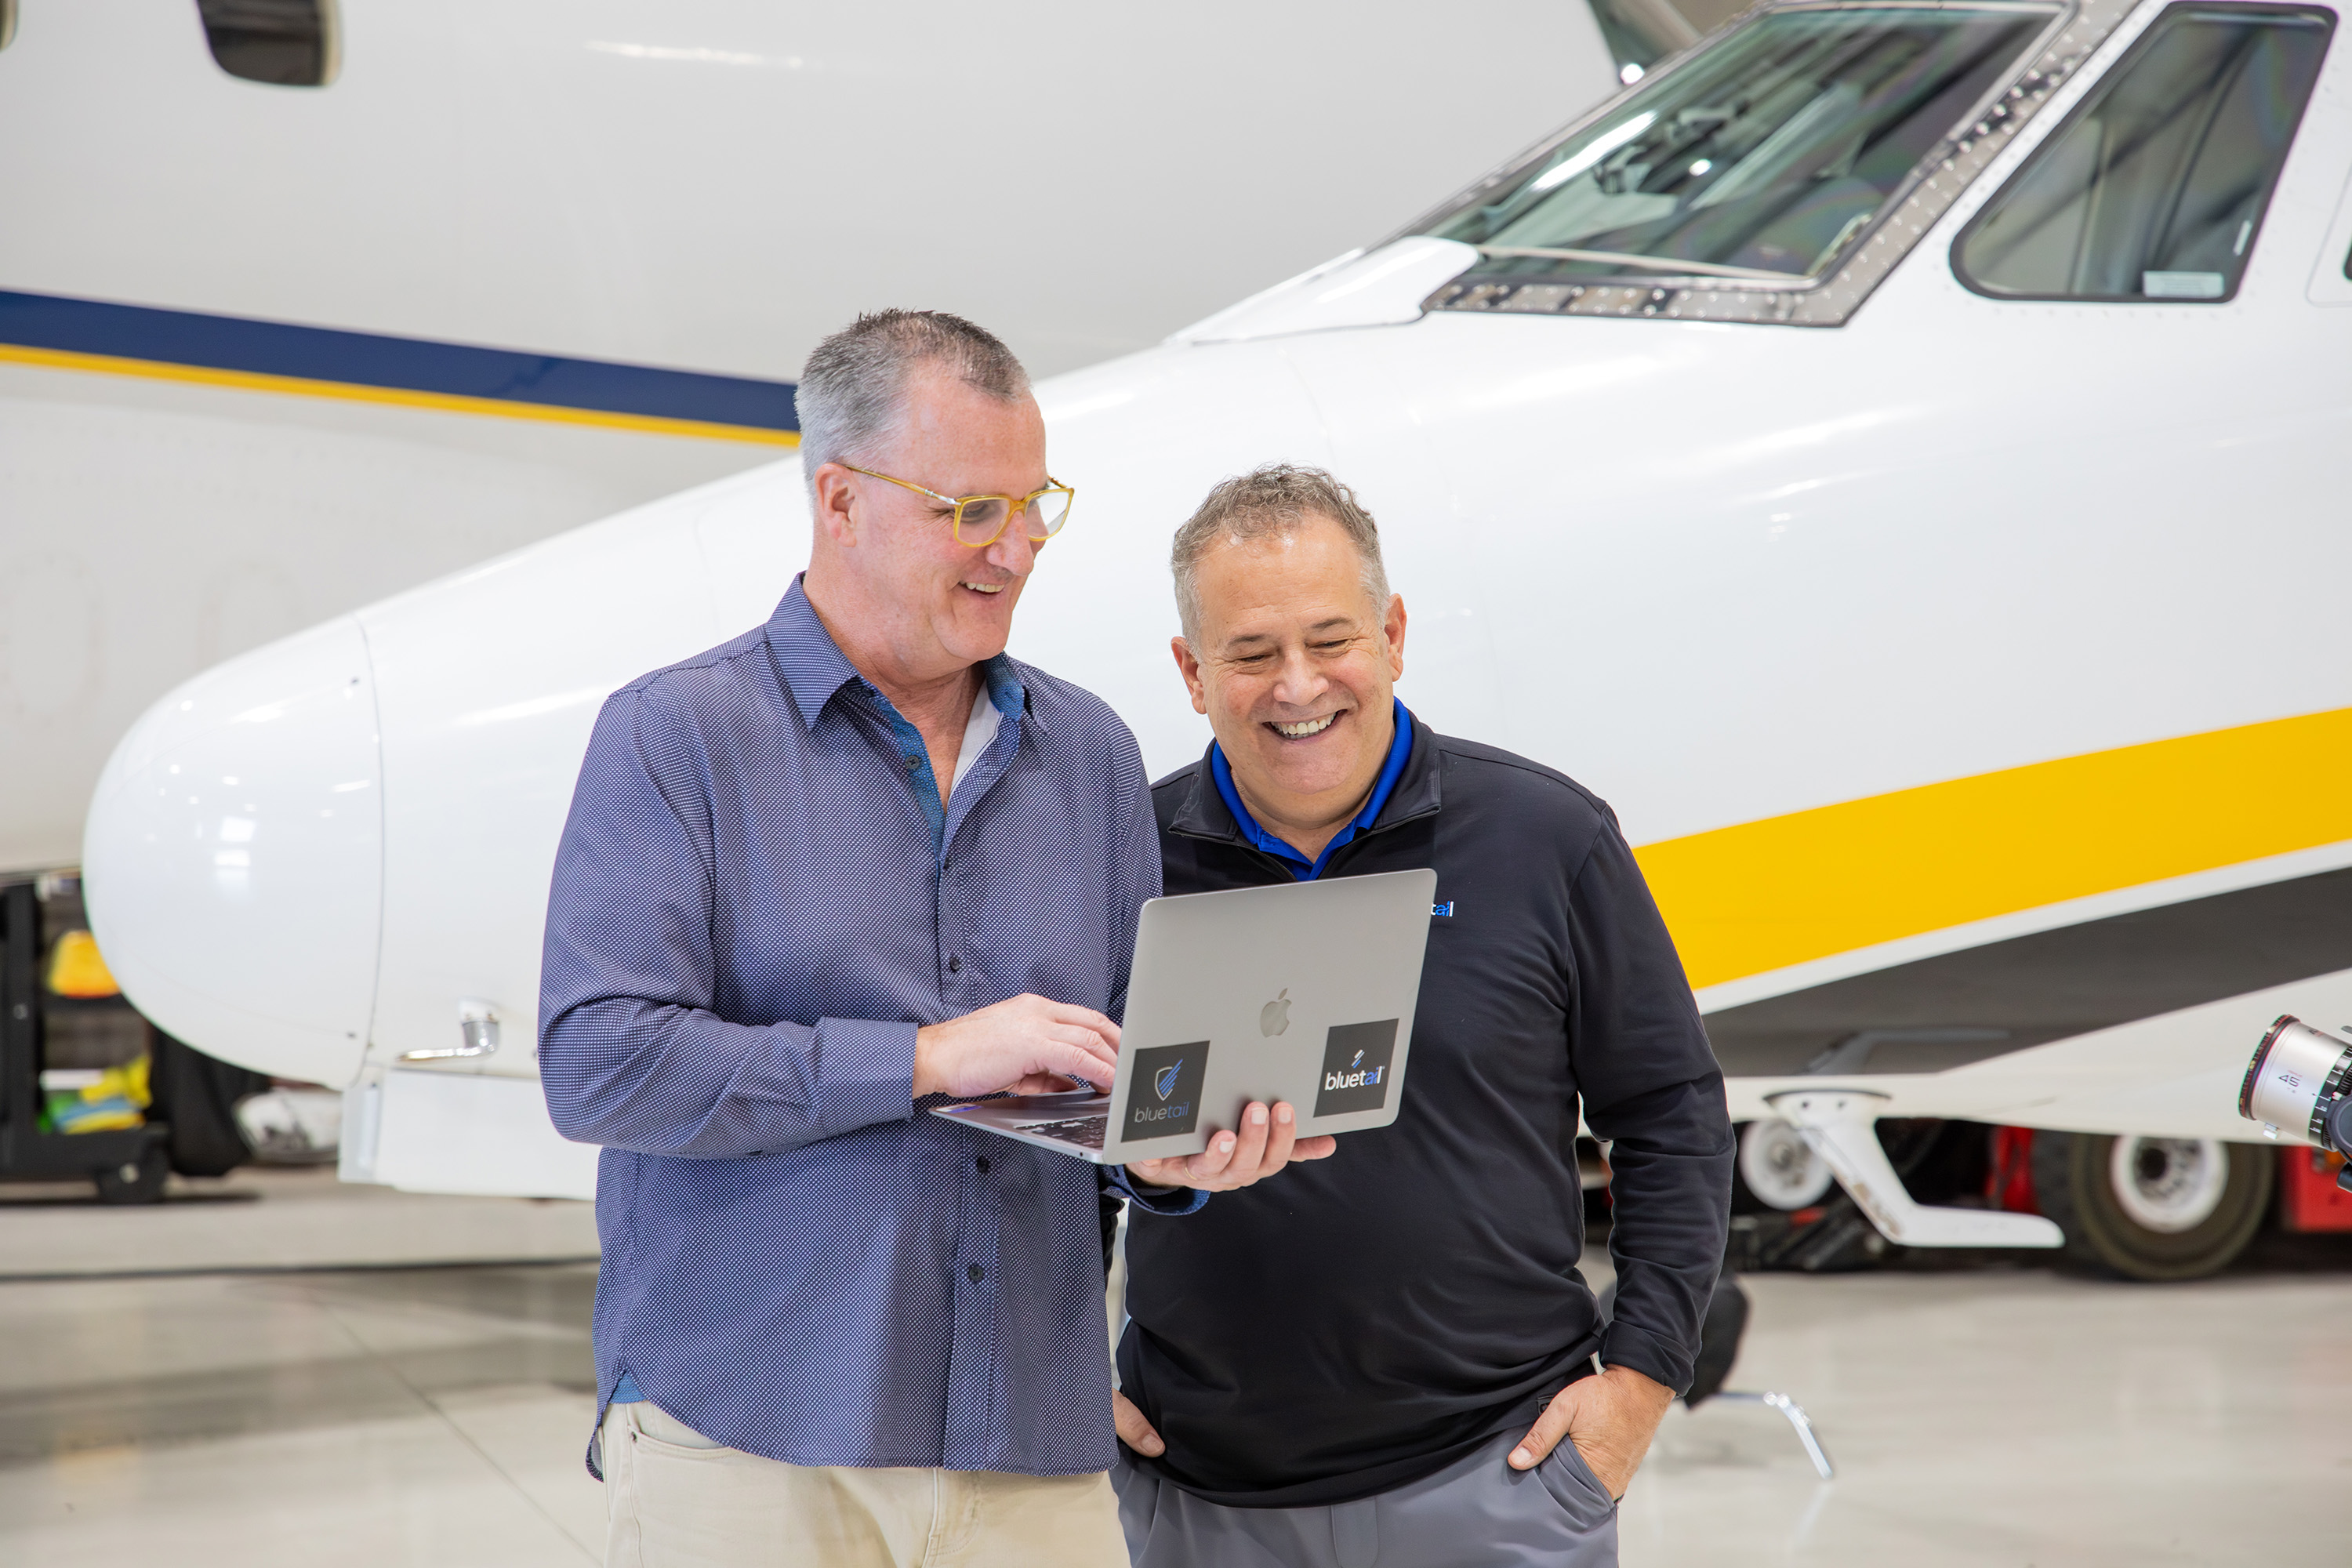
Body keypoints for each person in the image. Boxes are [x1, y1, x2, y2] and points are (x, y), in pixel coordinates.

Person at [538, 313, 1325, 1568]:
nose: (1014, 551)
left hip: (1031, 1444)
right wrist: (922, 1058)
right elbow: (603, 1065)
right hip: (751, 1433)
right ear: (838, 499)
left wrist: (1178, 1158)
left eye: (1035, 507)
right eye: (970, 512)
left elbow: (1121, 1083)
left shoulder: (1091, 755)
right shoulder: (679, 736)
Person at [1109, 464, 1733, 1567]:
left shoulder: (1547, 838)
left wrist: (1642, 1377)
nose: (1298, 686)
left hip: (1501, 1480)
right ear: (1191, 673)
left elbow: (1669, 1109)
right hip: (1201, 1499)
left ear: (1393, 633)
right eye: (1251, 653)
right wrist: (1060, 1367)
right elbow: (1043, 1145)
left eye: (1331, 639)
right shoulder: (1120, 862)